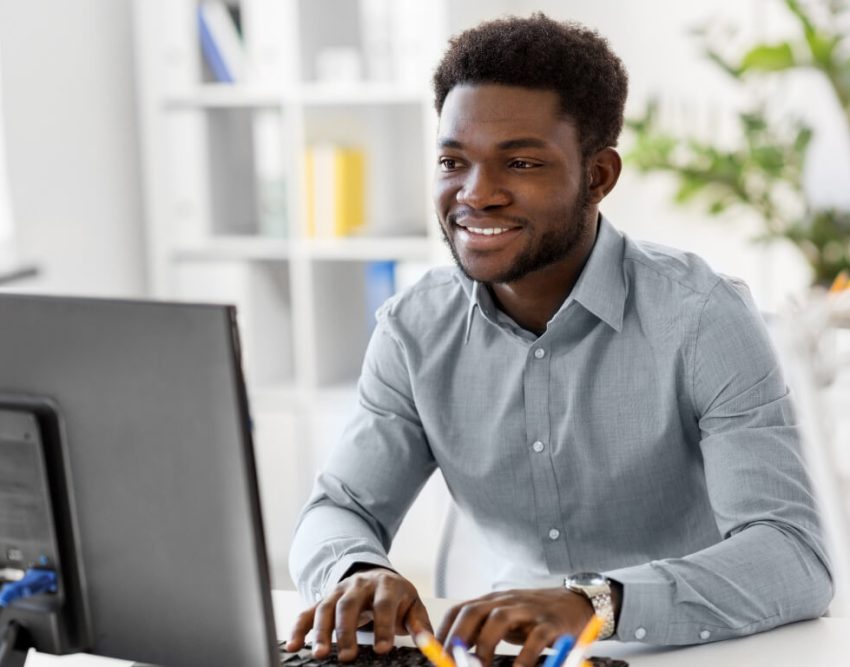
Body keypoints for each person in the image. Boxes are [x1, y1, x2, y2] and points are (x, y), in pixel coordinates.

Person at [287, 13, 833, 666]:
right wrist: (355, 571)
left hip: (680, 653)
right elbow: (338, 507)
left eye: (519, 162)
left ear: (599, 176)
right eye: (453, 161)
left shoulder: (703, 316)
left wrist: (595, 604)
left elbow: (792, 552)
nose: (475, 193)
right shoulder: (413, 329)